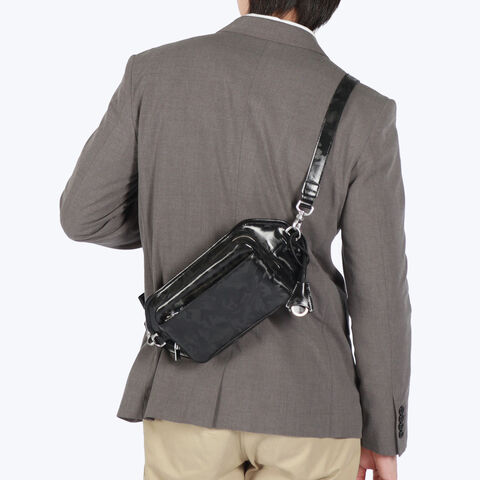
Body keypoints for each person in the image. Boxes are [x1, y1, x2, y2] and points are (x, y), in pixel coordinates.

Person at [59, 1, 412, 479]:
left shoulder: (153, 73)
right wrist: (383, 434)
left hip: (185, 392)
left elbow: (83, 216)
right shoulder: (364, 110)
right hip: (310, 406)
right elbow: (380, 293)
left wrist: (174, 226)